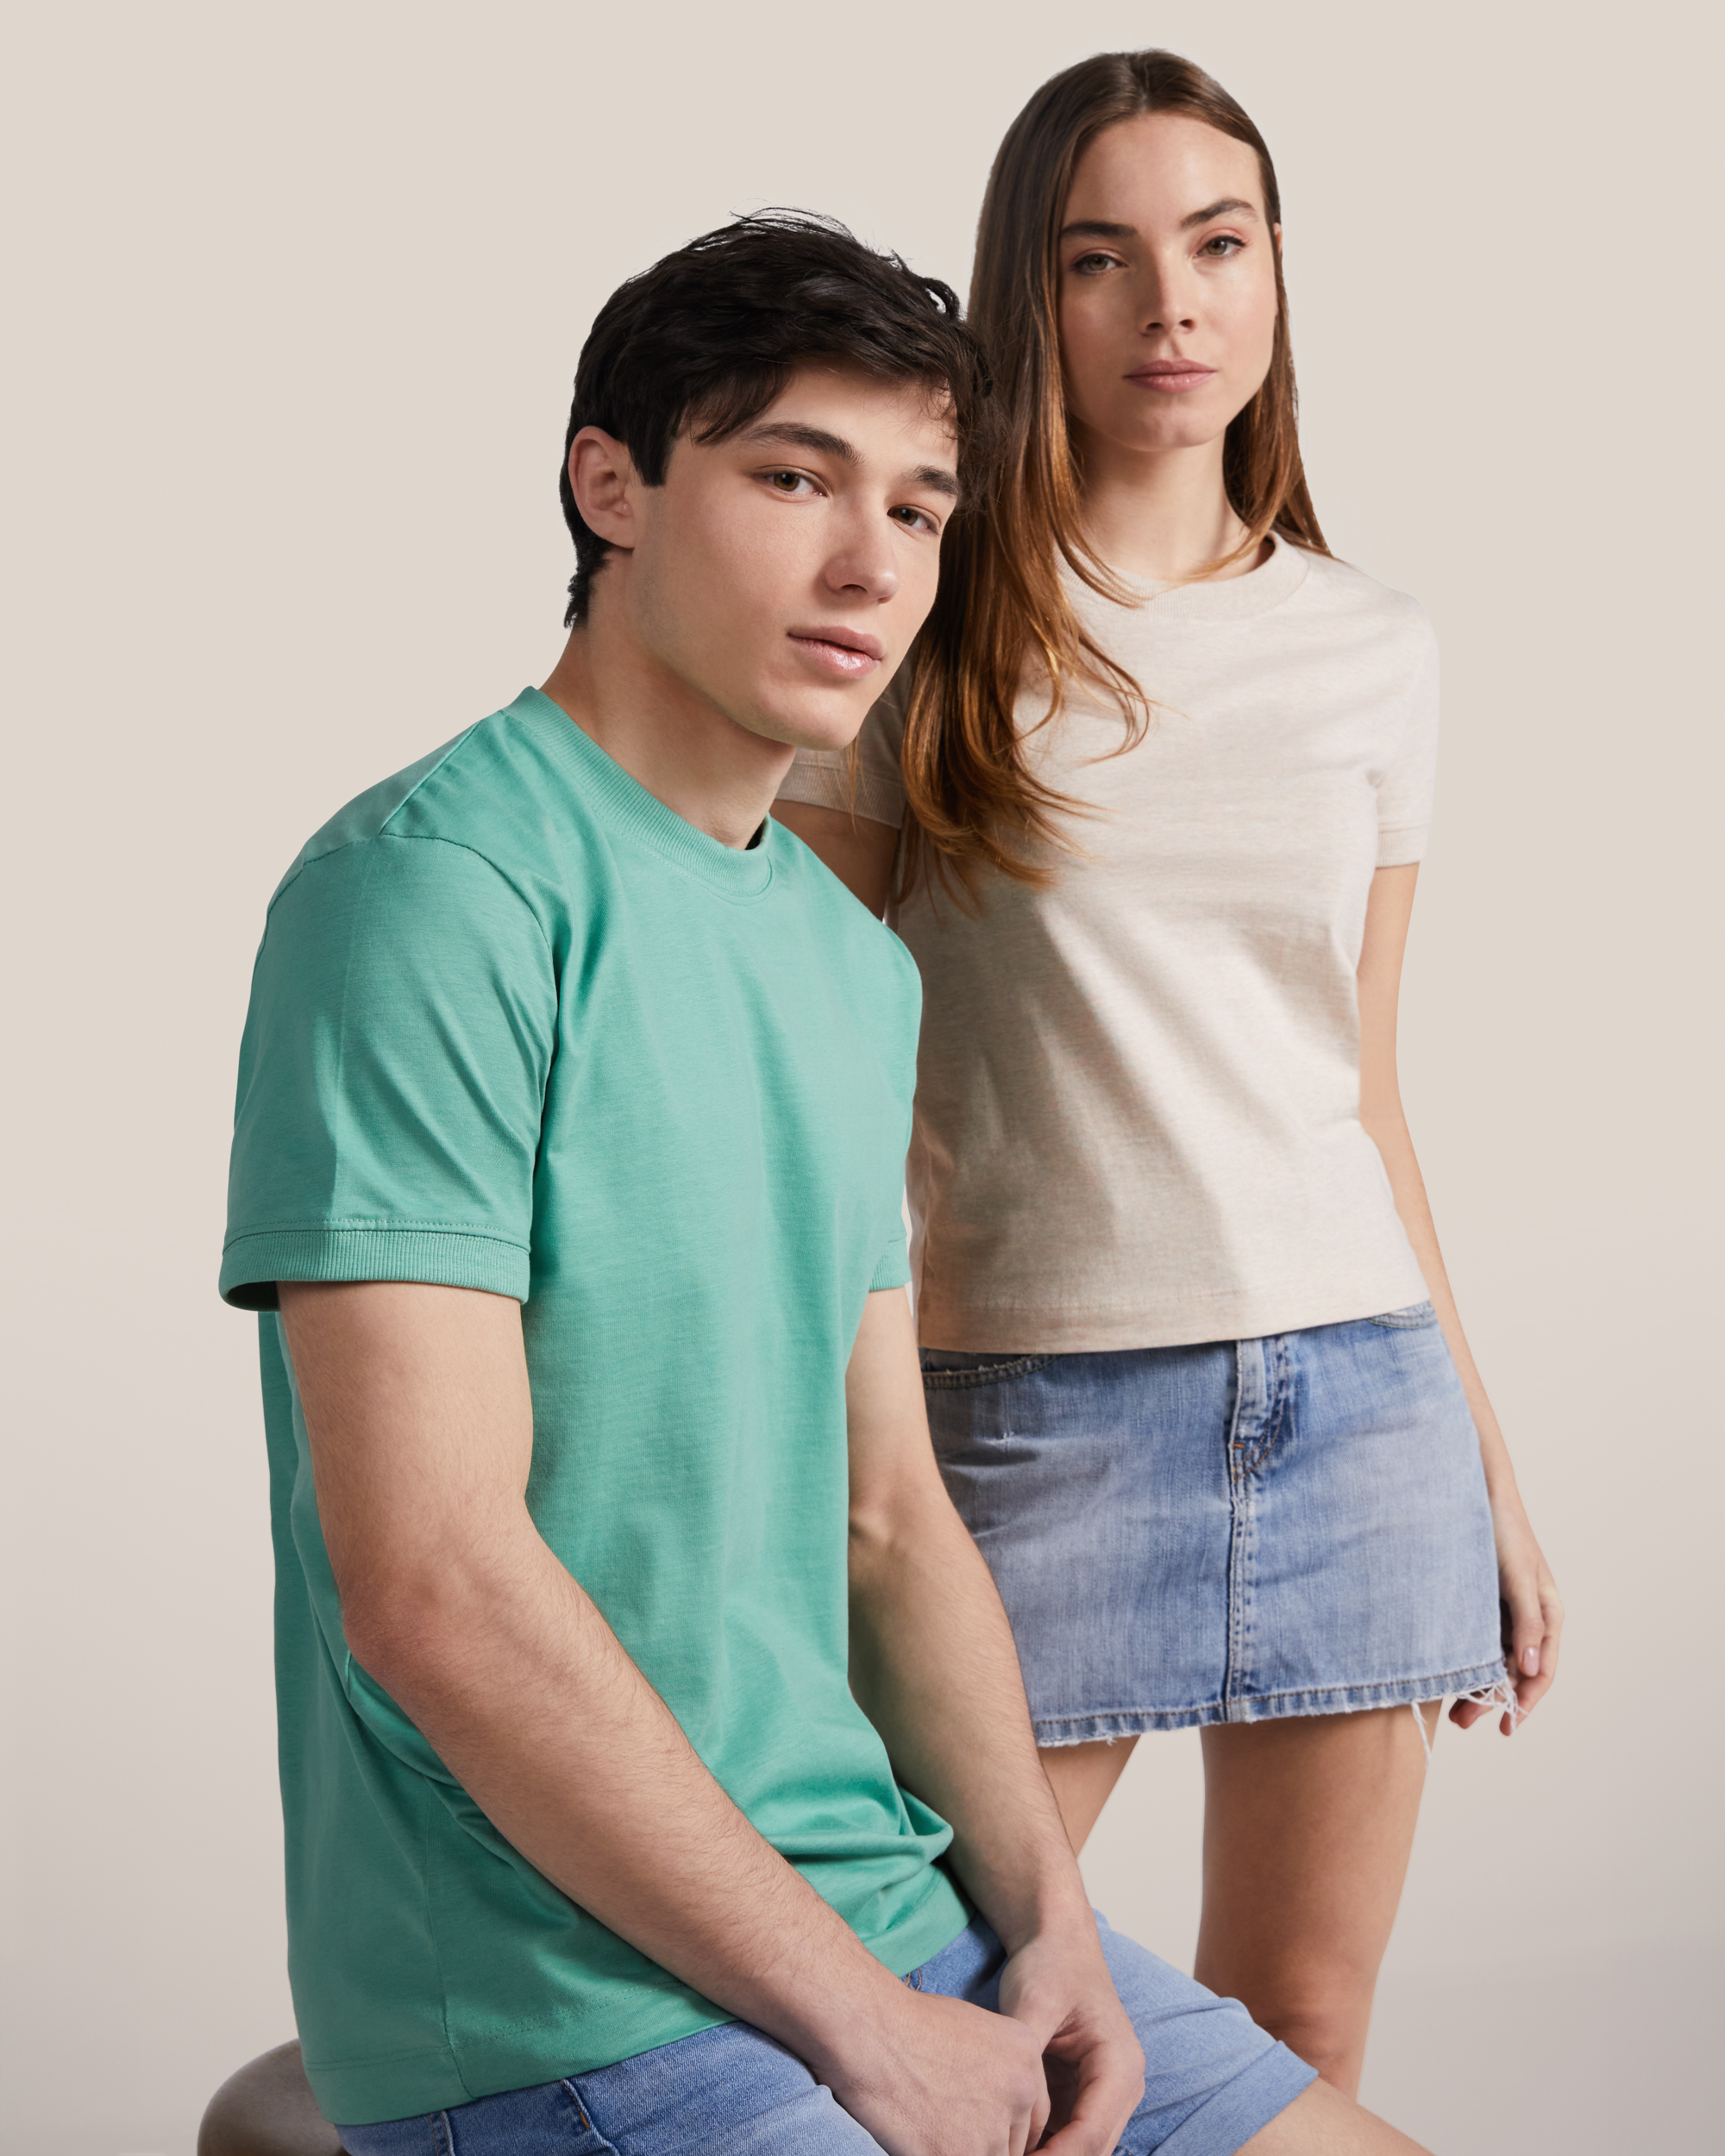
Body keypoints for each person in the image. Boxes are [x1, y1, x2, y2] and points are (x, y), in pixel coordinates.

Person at [220, 211, 1431, 2153]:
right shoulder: (434, 895)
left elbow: (889, 1516)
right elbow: (433, 1583)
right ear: (610, 486)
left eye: (921, 508)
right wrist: (862, 2029)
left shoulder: (845, 960)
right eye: (795, 479)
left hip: (886, 1907)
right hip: (568, 1999)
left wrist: (1051, 1932)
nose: (874, 564)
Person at [775, 51, 1565, 2098]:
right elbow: (813, 1061)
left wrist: (1481, 1459)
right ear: (1028, 295)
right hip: (1027, 1409)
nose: (1170, 307)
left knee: (1298, 2034)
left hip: (1356, 1394)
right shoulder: (927, 620)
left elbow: (1362, 1081)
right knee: (960, 2035)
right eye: (1099, 258)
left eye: (1217, 246)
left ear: (1277, 268)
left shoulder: (1374, 646)